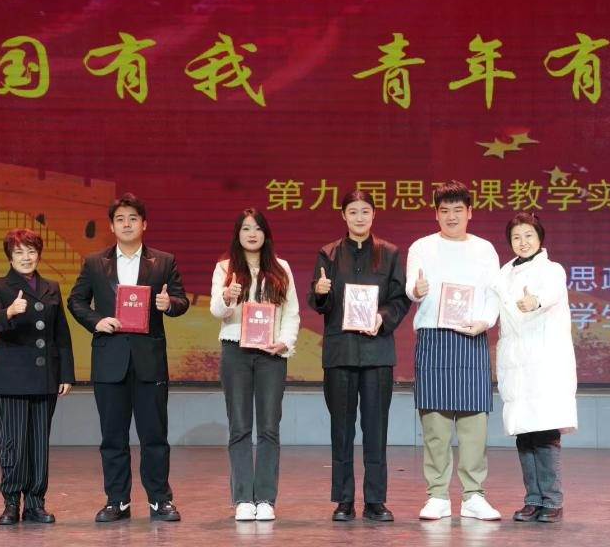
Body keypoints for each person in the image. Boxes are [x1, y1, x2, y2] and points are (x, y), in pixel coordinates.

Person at [67, 193, 190, 522]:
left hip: (149, 360)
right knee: (113, 437)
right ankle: (117, 500)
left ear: (144, 224)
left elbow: (181, 300)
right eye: (120, 219)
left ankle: (159, 500)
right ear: (111, 226)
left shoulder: (163, 261)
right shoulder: (95, 262)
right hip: (110, 360)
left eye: (133, 218)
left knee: (154, 436)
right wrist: (97, 321)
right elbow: (76, 301)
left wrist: (169, 305)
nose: (126, 224)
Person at [308, 189, 411, 522]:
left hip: (377, 353)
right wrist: (320, 293)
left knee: (376, 428)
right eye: (353, 211)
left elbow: (400, 299)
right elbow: (318, 302)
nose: (359, 217)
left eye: (365, 211)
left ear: (374, 214)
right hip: (340, 353)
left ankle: (375, 500)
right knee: (341, 429)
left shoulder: (390, 253)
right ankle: (343, 500)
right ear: (344, 216)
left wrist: (382, 318)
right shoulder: (328, 254)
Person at [405, 180, 502, 521]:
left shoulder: (484, 249)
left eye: (458, 210)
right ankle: (437, 495)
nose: (451, 216)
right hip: (434, 338)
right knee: (436, 426)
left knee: (475, 425)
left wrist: (485, 321)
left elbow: (494, 294)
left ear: (469, 212)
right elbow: (411, 288)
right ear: (436, 214)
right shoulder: (421, 247)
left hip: (471, 337)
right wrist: (416, 290)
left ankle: (474, 495)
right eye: (444, 210)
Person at [210, 208, 300, 521]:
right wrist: (227, 296)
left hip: (270, 354)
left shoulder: (281, 267)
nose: (252, 234)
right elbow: (216, 311)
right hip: (235, 351)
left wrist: (285, 342)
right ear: (238, 234)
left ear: (266, 234)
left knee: (269, 427)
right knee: (239, 426)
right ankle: (242, 499)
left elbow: (291, 312)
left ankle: (265, 499)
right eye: (246, 228)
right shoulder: (225, 268)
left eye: (258, 228)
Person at [0, 228, 74, 525]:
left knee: (38, 444)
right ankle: (11, 503)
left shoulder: (51, 287)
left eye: (31, 251)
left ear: (39, 255)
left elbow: (61, 335)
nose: (26, 257)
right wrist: (9, 311)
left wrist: (66, 374)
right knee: (14, 442)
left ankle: (35, 503)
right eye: (19, 252)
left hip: (45, 377)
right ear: (10, 257)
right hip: (12, 379)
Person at [493, 212, 577, 523]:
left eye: (528, 235)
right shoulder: (503, 274)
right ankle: (532, 499)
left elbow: (551, 294)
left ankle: (552, 500)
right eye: (516, 237)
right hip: (515, 363)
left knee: (545, 432)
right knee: (524, 434)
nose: (523, 242)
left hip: (544, 362)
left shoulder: (552, 270)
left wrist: (535, 301)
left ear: (540, 238)